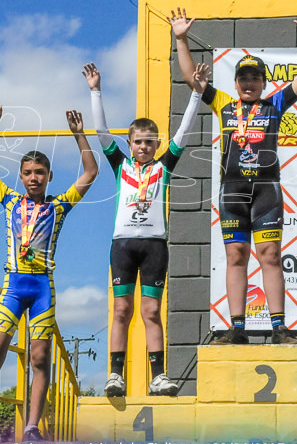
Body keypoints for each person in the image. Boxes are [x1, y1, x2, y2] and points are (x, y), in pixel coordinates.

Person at [171, 7, 297, 344]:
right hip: (232, 193)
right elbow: (190, 79)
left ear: (264, 83)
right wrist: (181, 39)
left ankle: (279, 327)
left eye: (254, 78)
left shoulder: (274, 105)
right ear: (235, 83)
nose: (249, 83)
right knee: (236, 257)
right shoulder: (223, 103)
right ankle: (237, 328)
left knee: (270, 256)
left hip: (266, 191)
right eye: (243, 78)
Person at [0, 101, 97, 442]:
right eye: (27, 173)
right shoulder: (10, 200)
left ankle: (31, 428)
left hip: (42, 288)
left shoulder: (59, 205)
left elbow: (90, 173)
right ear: (21, 176)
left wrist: (79, 135)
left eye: (39, 173)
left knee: (39, 358)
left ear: (49, 176)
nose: (33, 178)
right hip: (12, 286)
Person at [83, 60, 208, 398]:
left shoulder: (164, 167)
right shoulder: (120, 164)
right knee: (121, 309)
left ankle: (158, 376)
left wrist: (196, 95)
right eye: (138, 142)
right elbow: (102, 134)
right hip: (123, 245)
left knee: (151, 311)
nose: (143, 147)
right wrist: (96, 91)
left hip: (154, 246)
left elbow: (183, 133)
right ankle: (115, 375)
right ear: (130, 142)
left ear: (156, 144)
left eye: (150, 142)